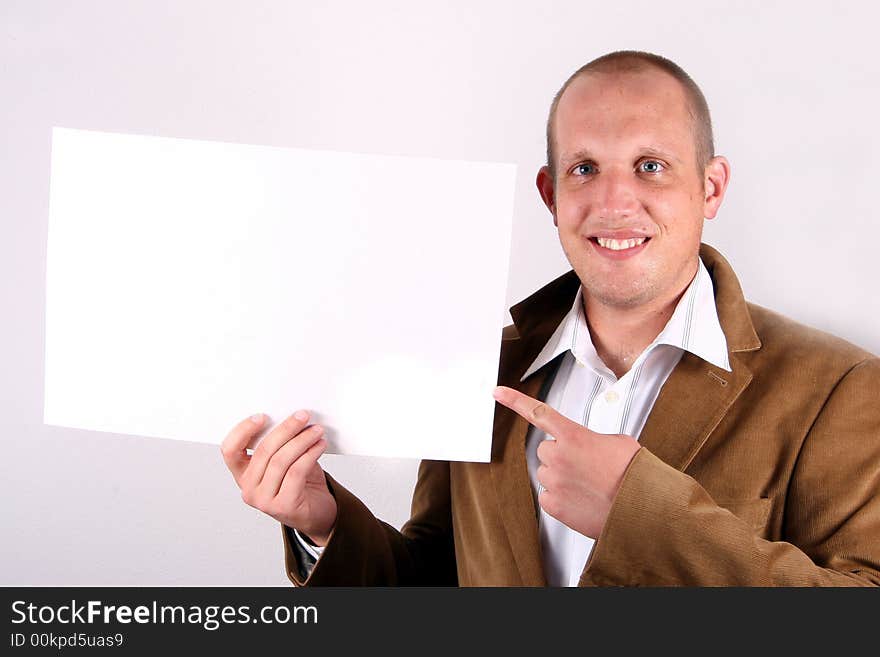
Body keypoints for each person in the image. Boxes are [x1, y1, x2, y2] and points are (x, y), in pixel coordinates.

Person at [221, 50, 880, 586]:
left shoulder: (838, 385)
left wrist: (639, 512)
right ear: (551, 193)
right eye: (585, 168)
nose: (615, 200)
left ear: (710, 187)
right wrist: (323, 523)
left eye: (651, 167)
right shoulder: (482, 364)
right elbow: (432, 580)